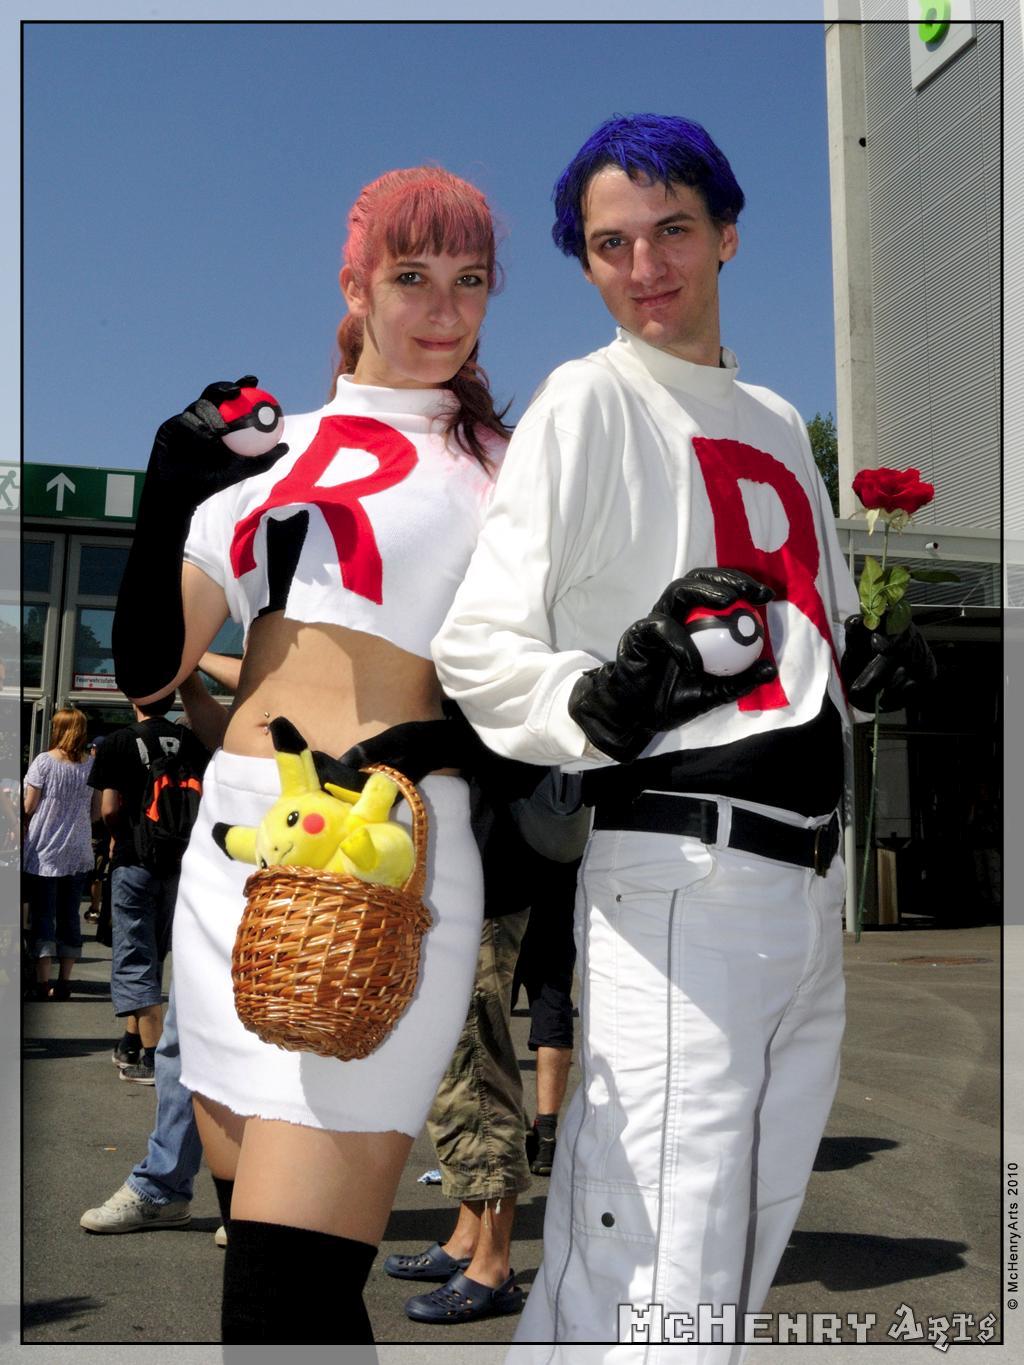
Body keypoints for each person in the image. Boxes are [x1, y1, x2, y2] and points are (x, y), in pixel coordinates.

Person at [433, 114, 936, 1354]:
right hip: (677, 872)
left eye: (671, 230)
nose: (644, 265)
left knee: (736, 1250)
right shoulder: (585, 399)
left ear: (726, 236)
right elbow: (477, 646)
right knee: (654, 1247)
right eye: (610, 244)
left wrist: (860, 667)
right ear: (584, 263)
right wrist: (594, 701)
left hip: (803, 884)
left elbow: (802, 634)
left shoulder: (775, 418)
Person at [110, 166, 511, 1345]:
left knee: (281, 1299)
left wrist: (454, 739)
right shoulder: (277, 453)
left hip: (376, 861)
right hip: (232, 861)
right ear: (354, 286)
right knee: (284, 1293)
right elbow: (149, 670)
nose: (443, 308)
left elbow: (546, 665)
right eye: (412, 276)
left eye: (470, 280)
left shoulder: (508, 466)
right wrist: (173, 482)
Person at [88, 692, 210, 1084]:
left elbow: (108, 808)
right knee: (154, 951)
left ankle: (154, 1057)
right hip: (177, 864)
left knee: (133, 956)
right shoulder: (190, 742)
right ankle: (130, 1042)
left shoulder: (119, 742)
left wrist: (117, 836)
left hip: (134, 859)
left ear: (134, 699)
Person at [23, 706, 97, 1001]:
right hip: (77, 850)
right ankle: (64, 982)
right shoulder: (91, 766)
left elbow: (29, 805)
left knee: (43, 915)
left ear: (59, 729)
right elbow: (95, 812)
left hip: (44, 851)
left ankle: (42, 983)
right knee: (70, 915)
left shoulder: (44, 762)